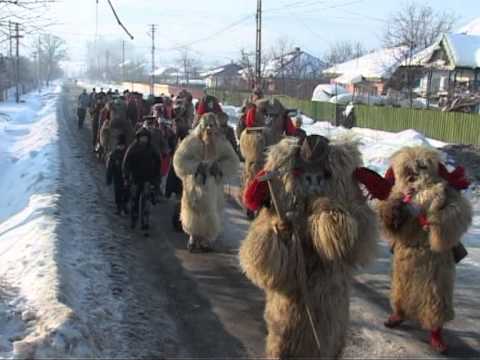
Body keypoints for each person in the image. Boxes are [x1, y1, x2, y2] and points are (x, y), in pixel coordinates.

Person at [239, 135, 378, 358]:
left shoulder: (343, 187)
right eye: (305, 173)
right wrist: (278, 230)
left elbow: (361, 231)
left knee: (326, 341)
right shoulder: (281, 182)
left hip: (330, 283)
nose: (313, 182)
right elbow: (252, 200)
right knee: (287, 339)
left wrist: (334, 227)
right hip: (290, 282)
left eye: (320, 174)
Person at [371, 146, 472, 354]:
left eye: (419, 168)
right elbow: (385, 211)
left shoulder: (442, 189)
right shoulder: (399, 190)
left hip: (433, 254)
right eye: (407, 170)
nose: (413, 174)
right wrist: (393, 211)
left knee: (435, 293)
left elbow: (459, 212)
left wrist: (435, 221)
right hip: (405, 249)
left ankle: (435, 330)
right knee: (402, 284)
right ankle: (400, 312)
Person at [173, 113, 239, 252]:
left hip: (213, 186)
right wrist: (197, 167)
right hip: (194, 185)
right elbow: (179, 159)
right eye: (207, 126)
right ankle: (193, 237)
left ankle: (205, 240)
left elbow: (233, 161)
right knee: (193, 210)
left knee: (211, 210)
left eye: (213, 126)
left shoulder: (222, 143)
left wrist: (219, 168)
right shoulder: (191, 142)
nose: (210, 129)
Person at [122, 127, 162, 229]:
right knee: (134, 200)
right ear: (138, 138)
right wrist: (126, 177)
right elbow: (126, 163)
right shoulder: (133, 148)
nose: (143, 140)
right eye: (142, 138)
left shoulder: (152, 148)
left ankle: (145, 221)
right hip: (135, 179)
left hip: (148, 180)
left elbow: (158, 163)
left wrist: (156, 180)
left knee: (146, 202)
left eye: (145, 138)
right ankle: (134, 219)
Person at [106, 134, 129, 215]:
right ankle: (119, 207)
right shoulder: (114, 154)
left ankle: (125, 205)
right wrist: (109, 178)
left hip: (127, 176)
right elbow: (110, 167)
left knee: (127, 192)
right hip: (117, 176)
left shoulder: (128, 153)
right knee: (118, 192)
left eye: (122, 145)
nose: (121, 147)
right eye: (119, 145)